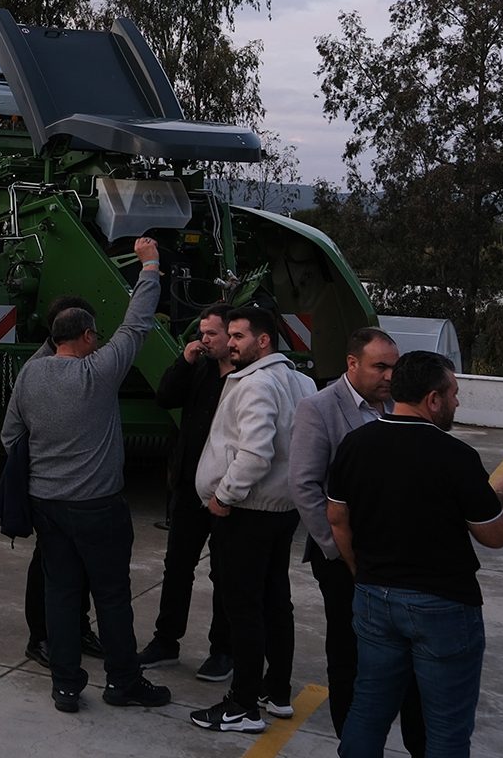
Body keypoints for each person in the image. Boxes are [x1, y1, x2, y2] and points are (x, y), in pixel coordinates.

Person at [2, 236, 171, 714]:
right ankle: (122, 683)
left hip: (48, 508)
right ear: (90, 337)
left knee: (61, 595)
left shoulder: (30, 376)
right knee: (113, 598)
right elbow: (138, 322)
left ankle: (66, 687)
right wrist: (150, 264)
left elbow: (10, 436)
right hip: (99, 508)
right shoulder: (100, 373)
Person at [327, 351, 503, 757]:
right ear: (433, 399)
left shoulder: (354, 444)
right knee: (446, 728)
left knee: (368, 709)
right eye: (453, 393)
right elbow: (496, 535)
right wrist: (501, 500)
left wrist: (360, 571)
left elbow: (337, 518)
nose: (456, 402)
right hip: (443, 606)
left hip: (373, 597)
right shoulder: (455, 456)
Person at [291, 329, 424, 754]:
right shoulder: (319, 408)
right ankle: (349, 738)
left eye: (393, 366)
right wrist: (334, 548)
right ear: (352, 364)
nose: (389, 375)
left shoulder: (396, 406)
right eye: (379, 366)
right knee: (348, 650)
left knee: (396, 652)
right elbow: (305, 485)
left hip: (391, 553)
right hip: (340, 556)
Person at [188, 305, 309, 735]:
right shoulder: (300, 380)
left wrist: (224, 496)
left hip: (248, 512)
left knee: (244, 609)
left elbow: (255, 453)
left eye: (238, 336)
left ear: (263, 341)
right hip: (281, 511)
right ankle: (275, 693)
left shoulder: (256, 384)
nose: (230, 344)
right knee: (276, 602)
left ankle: (241, 706)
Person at [139, 303, 234, 684]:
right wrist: (184, 361)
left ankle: (222, 650)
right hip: (189, 486)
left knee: (224, 573)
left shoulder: (245, 378)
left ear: (234, 336)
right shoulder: (200, 368)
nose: (204, 339)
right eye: (202, 332)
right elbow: (165, 397)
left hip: (228, 492)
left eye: (212, 333)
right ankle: (166, 640)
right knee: (177, 566)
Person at [24, 294, 103, 668]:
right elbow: (14, 433)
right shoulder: (38, 369)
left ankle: (76, 627)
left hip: (73, 494)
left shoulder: (79, 367)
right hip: (54, 494)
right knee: (48, 570)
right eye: (92, 333)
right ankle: (40, 637)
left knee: (75, 568)